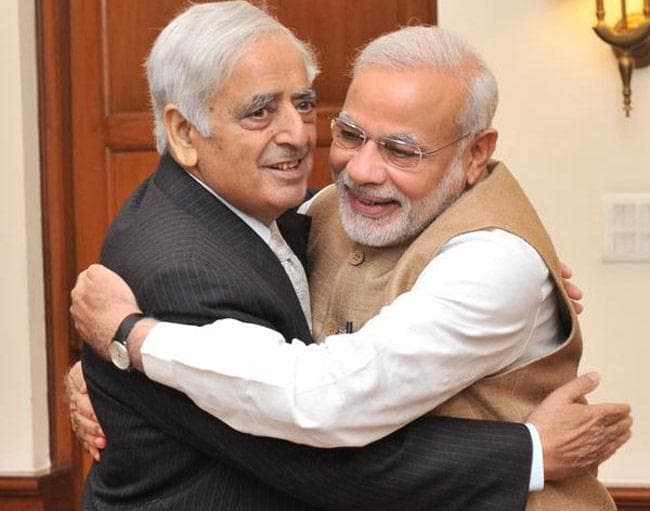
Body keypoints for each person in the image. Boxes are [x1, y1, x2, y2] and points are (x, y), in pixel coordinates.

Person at [70, 3, 631, 510]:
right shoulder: (294, 223)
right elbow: (307, 424)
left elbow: (327, 402)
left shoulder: (492, 264)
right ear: (185, 133)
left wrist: (129, 338)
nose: (357, 168)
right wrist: (106, 369)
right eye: (351, 134)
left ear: (475, 154)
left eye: (401, 150)